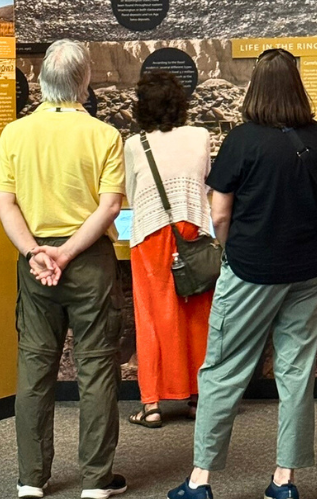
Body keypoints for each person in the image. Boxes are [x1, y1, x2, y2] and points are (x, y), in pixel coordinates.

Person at [167, 48, 317, 499]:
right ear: (297, 87)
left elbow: (219, 213)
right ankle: (284, 481)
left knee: (223, 371)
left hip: (250, 271)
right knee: (297, 372)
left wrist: (228, 251)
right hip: (308, 270)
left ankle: (200, 481)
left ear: (255, 88)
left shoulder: (241, 140)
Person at [0, 40, 127, 499]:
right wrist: (67, 253)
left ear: (42, 81)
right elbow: (109, 207)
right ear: (84, 81)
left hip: (35, 266)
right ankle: (96, 480)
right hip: (89, 262)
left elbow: (3, 204)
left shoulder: (14, 134)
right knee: (97, 368)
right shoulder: (104, 136)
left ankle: (31, 479)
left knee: (34, 367)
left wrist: (36, 252)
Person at [122, 71, 212, 430]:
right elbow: (206, 180)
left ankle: (152, 404)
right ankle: (198, 398)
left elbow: (131, 193)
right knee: (197, 316)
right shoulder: (200, 136)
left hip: (149, 234)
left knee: (151, 317)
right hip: (192, 231)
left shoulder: (135, 144)